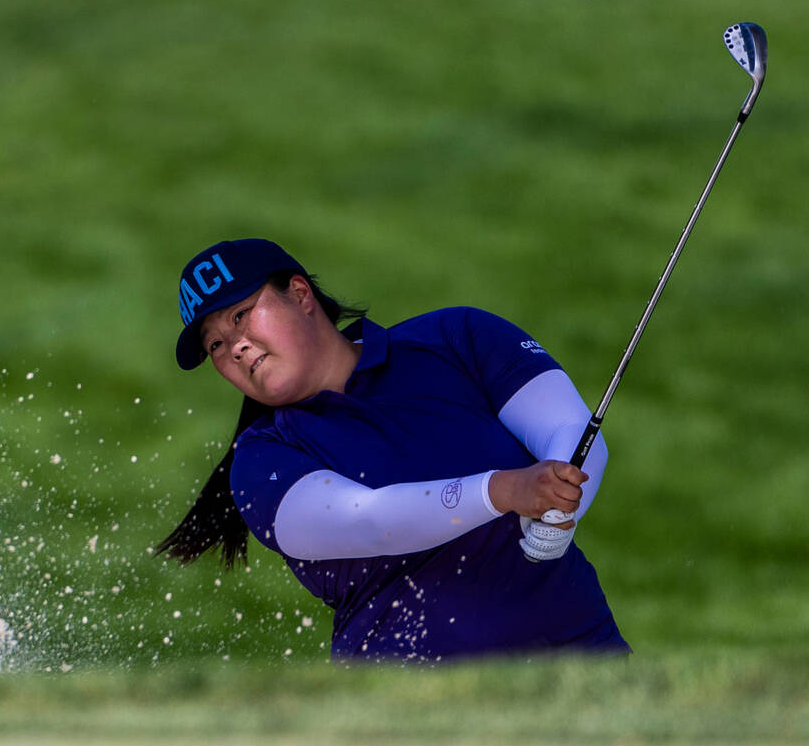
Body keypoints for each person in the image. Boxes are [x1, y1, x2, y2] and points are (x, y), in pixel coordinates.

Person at [158, 238, 629, 663]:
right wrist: (503, 490)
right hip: (414, 711)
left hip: (583, 666)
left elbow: (571, 430)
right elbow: (368, 520)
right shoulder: (261, 461)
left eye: (241, 314)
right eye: (216, 344)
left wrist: (560, 509)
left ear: (300, 294)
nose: (235, 346)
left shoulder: (457, 337)